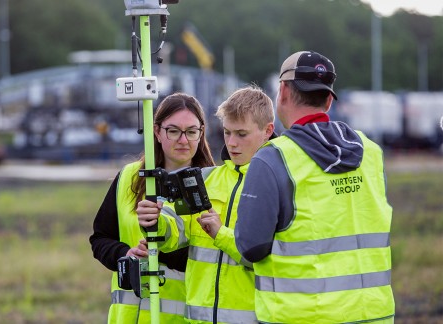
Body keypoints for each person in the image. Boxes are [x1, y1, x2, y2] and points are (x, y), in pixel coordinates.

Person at [234, 51, 395, 323]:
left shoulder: (273, 158)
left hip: (303, 317)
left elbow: (251, 247)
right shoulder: (371, 153)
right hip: (374, 315)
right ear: (329, 100)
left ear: (282, 92)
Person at [137, 85, 276, 323]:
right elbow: (175, 230)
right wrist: (156, 222)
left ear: (268, 131)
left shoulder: (278, 183)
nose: (231, 143)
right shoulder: (206, 179)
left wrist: (220, 234)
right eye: (226, 132)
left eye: (241, 134)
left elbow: (269, 258)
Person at [90, 92, 215, 323]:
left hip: (181, 318)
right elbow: (100, 239)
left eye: (191, 131)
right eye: (174, 131)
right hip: (128, 318)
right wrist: (125, 254)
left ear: (202, 132)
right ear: (157, 132)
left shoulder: (215, 185)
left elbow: (214, 261)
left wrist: (162, 251)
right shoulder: (129, 177)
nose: (183, 140)